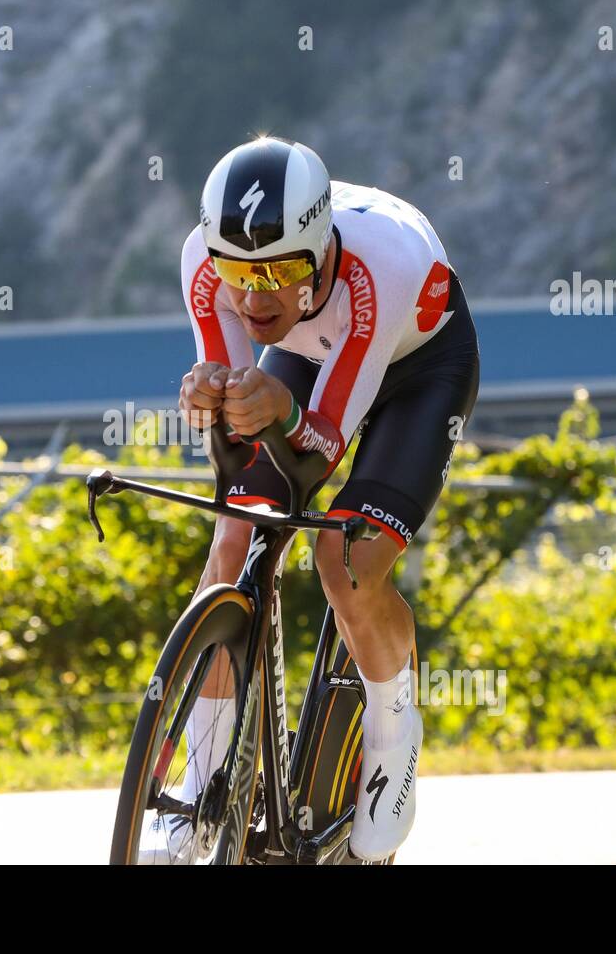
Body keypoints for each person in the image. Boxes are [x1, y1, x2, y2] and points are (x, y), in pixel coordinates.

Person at [153, 136, 480, 863]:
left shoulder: (381, 265)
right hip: (308, 360)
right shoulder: (201, 266)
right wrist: (214, 402)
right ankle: (199, 799)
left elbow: (320, 448)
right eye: (237, 273)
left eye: (280, 272)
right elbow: (240, 433)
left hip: (418, 366)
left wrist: (274, 414)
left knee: (346, 556)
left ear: (323, 249)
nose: (254, 296)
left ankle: (394, 735)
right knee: (232, 539)